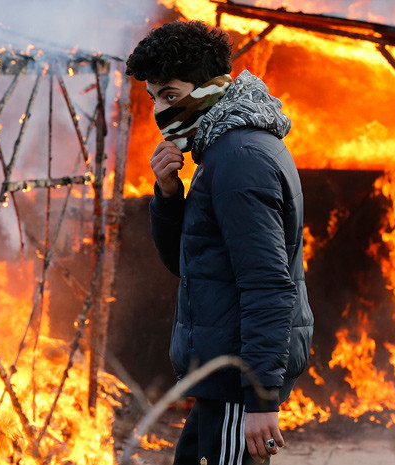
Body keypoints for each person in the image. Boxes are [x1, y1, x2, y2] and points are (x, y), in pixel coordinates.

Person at [125, 20, 314, 465]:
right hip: (225, 377)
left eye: (171, 95)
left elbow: (268, 285)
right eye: (154, 97)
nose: (159, 110)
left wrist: (261, 400)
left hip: (237, 379)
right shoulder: (220, 150)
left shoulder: (238, 158)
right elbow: (190, 264)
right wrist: (169, 196)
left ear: (209, 87)